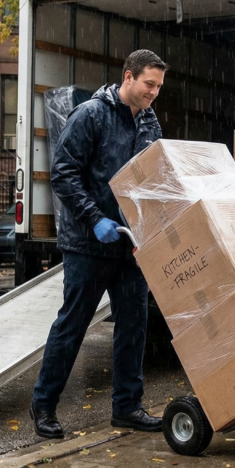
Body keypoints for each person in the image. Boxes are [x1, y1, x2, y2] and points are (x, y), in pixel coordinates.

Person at [30, 50, 167, 439]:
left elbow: (152, 177)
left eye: (158, 87)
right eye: (148, 84)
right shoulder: (91, 115)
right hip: (89, 243)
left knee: (133, 327)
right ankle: (43, 405)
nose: (154, 93)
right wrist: (95, 218)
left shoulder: (149, 123)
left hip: (129, 244)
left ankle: (127, 407)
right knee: (73, 326)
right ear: (128, 77)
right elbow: (63, 173)